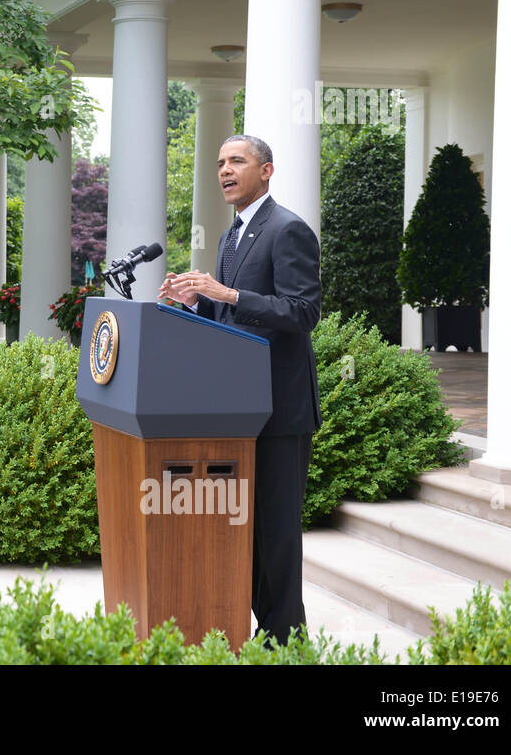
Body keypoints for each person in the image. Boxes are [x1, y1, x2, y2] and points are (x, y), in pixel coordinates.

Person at [157, 134, 320, 646]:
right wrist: (192, 301)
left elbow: (302, 312)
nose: (225, 170)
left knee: (275, 535)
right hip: (238, 409)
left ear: (266, 171)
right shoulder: (233, 235)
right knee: (246, 534)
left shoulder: (288, 230)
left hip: (280, 410)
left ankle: (286, 643)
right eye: (220, 162)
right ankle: (262, 634)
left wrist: (227, 292)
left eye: (237, 161)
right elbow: (230, 316)